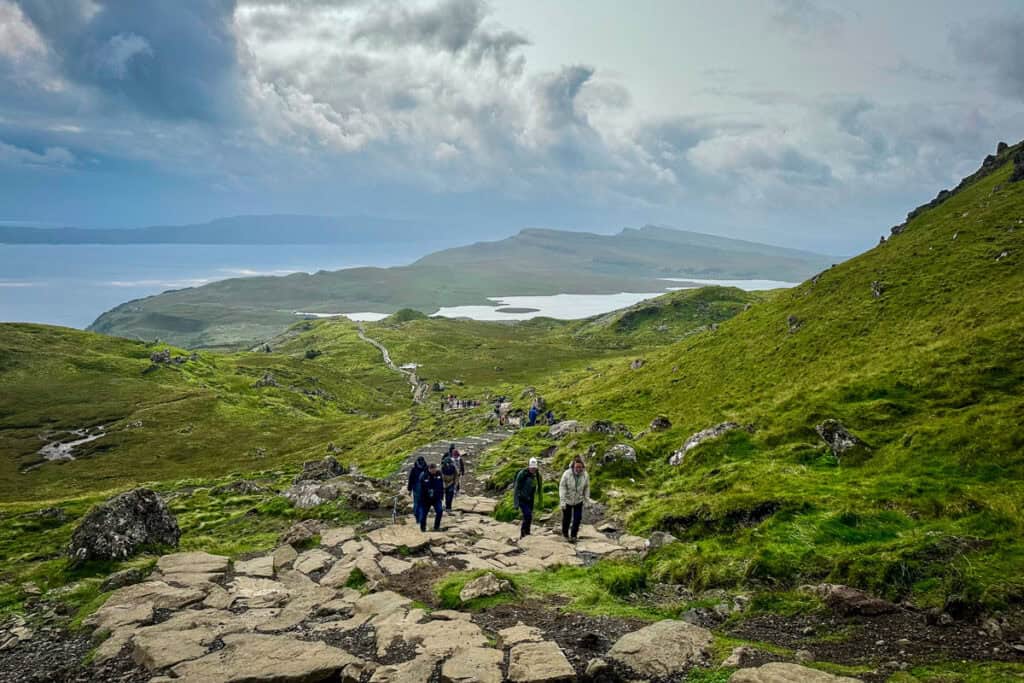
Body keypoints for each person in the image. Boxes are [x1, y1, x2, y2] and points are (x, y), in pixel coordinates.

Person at [559, 456, 590, 543]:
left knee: (577, 518)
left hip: (578, 500)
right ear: (573, 466)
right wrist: (562, 501)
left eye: (580, 467)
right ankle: (565, 534)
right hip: (568, 500)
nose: (578, 469)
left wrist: (587, 499)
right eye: (577, 467)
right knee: (567, 518)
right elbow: (562, 487)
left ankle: (573, 536)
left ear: (583, 467)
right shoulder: (567, 474)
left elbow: (587, 487)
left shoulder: (585, 475)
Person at [513, 457, 543, 538]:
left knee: (529, 516)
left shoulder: (537, 475)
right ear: (529, 466)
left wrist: (540, 501)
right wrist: (516, 503)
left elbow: (540, 488)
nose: (533, 470)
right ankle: (523, 534)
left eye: (535, 468)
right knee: (527, 515)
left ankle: (527, 532)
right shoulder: (522, 474)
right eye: (532, 468)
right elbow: (516, 488)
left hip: (531, 498)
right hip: (522, 498)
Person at [418, 462, 445, 531]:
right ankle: (423, 529)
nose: (434, 471)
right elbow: (422, 488)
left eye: (435, 469)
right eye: (432, 469)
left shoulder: (439, 474)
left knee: (440, 511)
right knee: (424, 515)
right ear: (429, 469)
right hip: (425, 499)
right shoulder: (424, 476)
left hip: (436, 498)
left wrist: (441, 496)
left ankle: (436, 527)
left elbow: (441, 485)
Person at [407, 455, 428, 520]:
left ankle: (417, 516)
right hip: (422, 487)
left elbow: (411, 480)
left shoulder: (414, 469)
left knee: (417, 502)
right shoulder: (426, 468)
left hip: (417, 488)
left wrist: (409, 489)